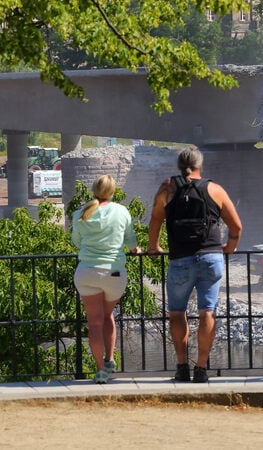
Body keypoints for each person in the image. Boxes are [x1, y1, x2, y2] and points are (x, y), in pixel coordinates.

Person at [147, 148, 242, 383]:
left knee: (177, 312)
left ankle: (181, 367)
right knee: (207, 311)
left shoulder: (167, 187)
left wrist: (154, 246)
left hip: (180, 258)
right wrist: (230, 246)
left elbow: (156, 218)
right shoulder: (214, 189)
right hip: (210, 257)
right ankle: (201, 368)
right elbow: (236, 226)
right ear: (201, 165)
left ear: (179, 165)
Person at [71, 175, 140, 384]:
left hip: (87, 272)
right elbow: (130, 241)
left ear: (94, 189)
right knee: (108, 315)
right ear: (113, 191)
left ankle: (100, 370)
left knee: (94, 322)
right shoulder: (122, 211)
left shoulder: (81, 212)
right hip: (114, 273)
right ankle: (110, 359)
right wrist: (135, 249)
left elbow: (76, 242)